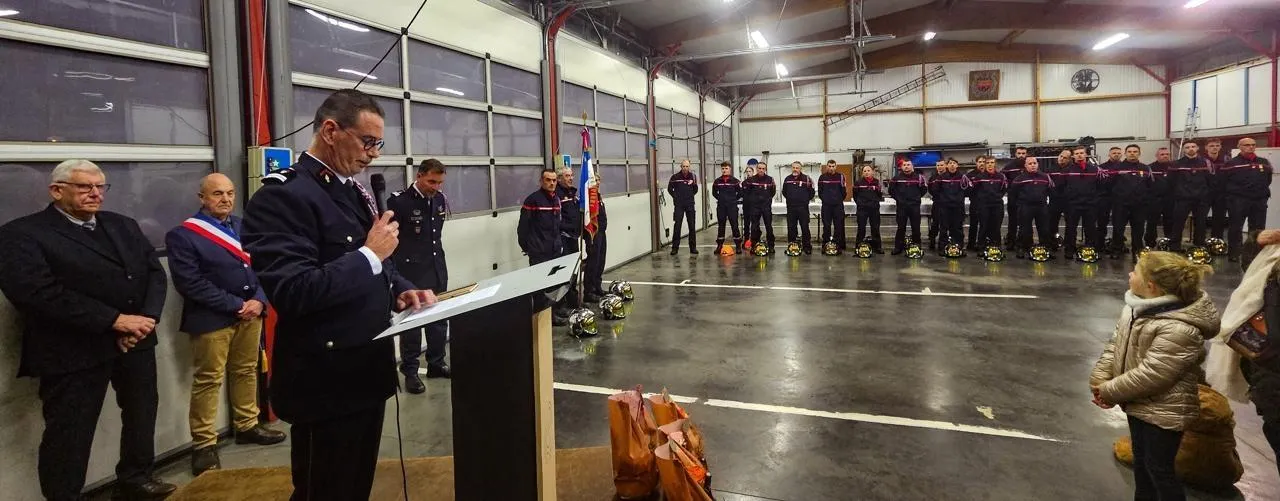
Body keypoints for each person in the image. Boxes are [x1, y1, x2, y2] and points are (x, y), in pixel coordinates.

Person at [241, 89, 437, 500]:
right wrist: (369, 254)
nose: (374, 154)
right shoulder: (283, 196)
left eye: (379, 143)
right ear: (330, 131)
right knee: (325, 491)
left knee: (354, 488)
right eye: (368, 142)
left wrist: (401, 290)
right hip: (325, 383)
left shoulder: (349, 191)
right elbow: (293, 291)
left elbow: (376, 266)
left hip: (365, 372)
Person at [0, 159, 176, 501]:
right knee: (71, 431)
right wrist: (114, 321)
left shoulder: (122, 225)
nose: (96, 194)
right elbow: (36, 293)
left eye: (100, 186)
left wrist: (145, 319)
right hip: (73, 349)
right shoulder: (22, 234)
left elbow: (153, 273)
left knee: (141, 412)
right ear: (56, 191)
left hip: (136, 339)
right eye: (85, 187)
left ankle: (136, 478)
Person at [165, 173, 285, 476]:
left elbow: (264, 265)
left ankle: (247, 425)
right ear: (202, 197)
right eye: (217, 193)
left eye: (230, 193)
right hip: (212, 318)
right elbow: (190, 282)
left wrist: (259, 299)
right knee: (209, 380)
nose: (226, 199)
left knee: (246, 371)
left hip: (252, 312)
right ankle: (204, 444)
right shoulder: (184, 235)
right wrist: (236, 305)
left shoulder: (243, 226)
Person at [1090, 251, 1217, 501]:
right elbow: (1115, 345)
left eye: (1135, 271)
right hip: (1137, 403)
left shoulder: (1179, 328)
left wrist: (1109, 391)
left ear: (1151, 286)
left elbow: (1153, 374)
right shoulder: (1135, 308)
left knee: (1159, 470)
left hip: (1166, 412)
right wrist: (1099, 380)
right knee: (1142, 464)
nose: (1130, 273)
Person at [388, 159, 453, 394]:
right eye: (431, 181)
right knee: (413, 325)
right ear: (419, 176)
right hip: (411, 272)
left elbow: (436, 237)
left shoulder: (439, 200)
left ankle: (436, 363)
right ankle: (411, 371)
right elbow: (392, 240)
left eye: (440, 182)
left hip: (436, 268)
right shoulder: (400, 202)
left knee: (438, 319)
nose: (436, 187)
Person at [1220, 138, 1273, 261]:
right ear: (1239, 146)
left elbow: (1268, 179)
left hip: (1259, 200)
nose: (1251, 147)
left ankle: (1254, 254)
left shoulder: (1264, 162)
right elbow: (1223, 182)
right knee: (1235, 228)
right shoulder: (1231, 163)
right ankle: (1234, 253)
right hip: (1238, 201)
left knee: (1257, 229)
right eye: (1247, 145)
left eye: (1253, 145)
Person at [1167, 142, 1213, 251]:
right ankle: (1174, 247)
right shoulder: (1176, 164)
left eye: (1193, 146)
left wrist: (1206, 195)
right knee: (1178, 223)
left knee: (1201, 224)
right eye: (1187, 147)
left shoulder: (1206, 163)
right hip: (1182, 199)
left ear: (1197, 148)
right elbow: (1171, 182)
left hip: (1201, 199)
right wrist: (1179, 193)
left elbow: (1210, 180)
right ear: (1183, 150)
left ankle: (1199, 246)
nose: (1190, 149)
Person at [1109, 144, 1153, 259]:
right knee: (1118, 229)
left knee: (1138, 230)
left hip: (1139, 206)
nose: (1132, 153)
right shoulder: (1116, 168)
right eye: (1129, 151)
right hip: (1121, 205)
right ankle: (1116, 250)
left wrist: (1145, 200)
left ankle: (1137, 252)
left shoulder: (1145, 168)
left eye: (1135, 151)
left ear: (1139, 153)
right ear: (1125, 153)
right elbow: (1109, 184)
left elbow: (1150, 186)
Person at [1062, 146, 1101, 257]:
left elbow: (1100, 186)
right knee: (1071, 228)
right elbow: (1062, 186)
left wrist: (1094, 199)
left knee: (1090, 228)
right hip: (1072, 204)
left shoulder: (1095, 170)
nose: (1079, 155)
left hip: (1090, 204)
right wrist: (1068, 197)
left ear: (1085, 154)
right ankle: (1069, 249)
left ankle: (1090, 249)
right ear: (1073, 156)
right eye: (1077, 153)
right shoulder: (1067, 170)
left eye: (1081, 153)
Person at [519, 169, 564, 265]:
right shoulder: (532, 200)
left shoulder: (557, 199)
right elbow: (523, 227)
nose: (552, 183)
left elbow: (558, 226)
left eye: (554, 180)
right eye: (548, 180)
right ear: (541, 181)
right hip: (539, 253)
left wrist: (559, 245)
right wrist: (528, 248)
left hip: (555, 251)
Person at [1011, 157, 1054, 258]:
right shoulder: (1019, 179)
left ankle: (1046, 249)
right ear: (1025, 166)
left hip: (1041, 206)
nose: (1033, 165)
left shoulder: (1045, 177)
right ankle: (1023, 248)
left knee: (1044, 229)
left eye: (1034, 163)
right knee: (1024, 229)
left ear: (1038, 164)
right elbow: (1013, 193)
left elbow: (1051, 190)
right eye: (1030, 164)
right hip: (1025, 206)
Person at [555, 167, 583, 315]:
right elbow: (556, 219)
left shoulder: (572, 193)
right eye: (567, 176)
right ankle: (561, 304)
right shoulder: (557, 195)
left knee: (574, 271)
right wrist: (569, 227)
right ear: (559, 178)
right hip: (563, 238)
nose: (571, 178)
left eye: (572, 175)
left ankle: (573, 299)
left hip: (573, 237)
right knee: (563, 273)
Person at [968, 156, 1008, 251]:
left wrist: (997, 197)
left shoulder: (1001, 176)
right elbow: (974, 190)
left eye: (992, 163)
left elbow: (1003, 189)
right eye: (988, 163)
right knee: (983, 226)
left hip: (997, 205)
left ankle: (996, 247)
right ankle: (981, 247)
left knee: (996, 227)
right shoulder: (979, 177)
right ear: (985, 165)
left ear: (995, 164)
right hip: (984, 205)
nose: (990, 165)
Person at [889, 159, 927, 255]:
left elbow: (923, 189)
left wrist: (916, 197)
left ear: (912, 166)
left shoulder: (919, 177)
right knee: (901, 228)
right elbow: (891, 190)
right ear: (901, 167)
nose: (906, 166)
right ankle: (898, 247)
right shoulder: (896, 178)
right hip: (902, 207)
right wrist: (899, 199)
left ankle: (917, 246)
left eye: (908, 165)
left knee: (916, 227)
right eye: (904, 165)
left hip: (914, 206)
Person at [929, 159, 968, 249]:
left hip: (958, 207)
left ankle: (958, 246)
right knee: (943, 228)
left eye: (954, 163)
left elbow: (967, 190)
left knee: (957, 227)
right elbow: (934, 190)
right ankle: (942, 247)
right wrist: (943, 199)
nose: (952, 165)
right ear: (947, 165)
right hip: (944, 207)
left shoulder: (962, 177)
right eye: (950, 163)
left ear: (957, 165)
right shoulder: (940, 178)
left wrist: (959, 198)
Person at [582, 174, 608, 301]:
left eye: (598, 180)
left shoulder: (598, 196)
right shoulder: (589, 199)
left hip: (602, 232)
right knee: (592, 262)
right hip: (593, 234)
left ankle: (597, 286)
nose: (597, 182)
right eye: (594, 180)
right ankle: (589, 291)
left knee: (600, 261)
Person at [782, 161, 816, 254]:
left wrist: (804, 200)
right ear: (791, 168)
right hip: (791, 208)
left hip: (803, 208)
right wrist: (791, 199)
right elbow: (784, 192)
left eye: (797, 168)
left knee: (805, 227)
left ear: (801, 169)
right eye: (793, 167)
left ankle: (807, 246)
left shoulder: (807, 179)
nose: (795, 169)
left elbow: (812, 192)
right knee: (791, 228)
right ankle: (792, 246)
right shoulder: (787, 179)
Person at [667, 159, 698, 255]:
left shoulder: (693, 177)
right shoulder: (675, 177)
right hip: (679, 205)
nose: (685, 168)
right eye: (683, 166)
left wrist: (689, 196)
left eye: (687, 166)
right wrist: (676, 197)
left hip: (690, 204)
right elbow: (669, 189)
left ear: (689, 167)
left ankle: (693, 248)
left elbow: (695, 189)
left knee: (692, 226)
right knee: (677, 226)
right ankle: (675, 248)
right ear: (681, 167)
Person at [744, 162, 777, 253]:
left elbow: (773, 192)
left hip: (766, 207)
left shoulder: (770, 179)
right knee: (754, 227)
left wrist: (767, 200)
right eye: (759, 168)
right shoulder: (751, 180)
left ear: (765, 169)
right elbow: (747, 192)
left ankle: (771, 245)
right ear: (757, 169)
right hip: (755, 207)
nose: (761, 170)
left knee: (768, 226)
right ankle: (754, 245)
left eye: (763, 169)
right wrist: (753, 200)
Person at [1145, 147, 1175, 248]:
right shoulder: (1149, 168)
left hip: (1170, 200)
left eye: (1167, 154)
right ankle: (1150, 243)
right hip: (1154, 200)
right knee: (1151, 223)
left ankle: (1169, 242)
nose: (1165, 156)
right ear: (1157, 156)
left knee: (1170, 222)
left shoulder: (1174, 167)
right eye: (1162, 154)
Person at [852, 164, 884, 253]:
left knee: (875, 228)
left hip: (874, 209)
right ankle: (858, 247)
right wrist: (860, 203)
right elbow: (855, 195)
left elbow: (879, 194)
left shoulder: (877, 182)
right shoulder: (858, 183)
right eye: (864, 171)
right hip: (862, 210)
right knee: (861, 229)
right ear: (862, 173)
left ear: (872, 172)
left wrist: (874, 202)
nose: (866, 172)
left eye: (868, 170)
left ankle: (877, 247)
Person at [711, 161, 743, 251]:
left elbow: (740, 192)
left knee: (734, 225)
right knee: (721, 226)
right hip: (721, 207)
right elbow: (714, 193)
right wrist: (720, 198)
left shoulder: (735, 181)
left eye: (726, 168)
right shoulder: (717, 181)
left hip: (732, 206)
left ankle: (738, 245)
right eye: (723, 168)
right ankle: (719, 245)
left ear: (730, 169)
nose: (724, 170)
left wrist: (733, 199)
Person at [1001, 147, 1029, 249]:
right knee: (1012, 221)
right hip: (1013, 199)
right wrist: (1009, 190)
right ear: (1015, 154)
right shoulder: (1008, 167)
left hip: (1026, 200)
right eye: (1019, 153)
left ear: (1026, 154)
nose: (1021, 155)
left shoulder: (1030, 165)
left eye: (1023, 153)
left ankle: (1023, 242)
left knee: (1025, 222)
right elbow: (1002, 180)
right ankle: (1011, 242)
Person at [1046, 149, 1073, 248]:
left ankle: (1068, 243)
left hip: (1069, 201)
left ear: (1069, 159)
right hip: (1054, 200)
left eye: (1065, 158)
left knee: (1070, 223)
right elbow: (1047, 185)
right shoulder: (1050, 169)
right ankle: (1053, 241)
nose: (1062, 159)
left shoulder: (1072, 170)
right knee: (1052, 223)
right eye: (1061, 156)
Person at [1096, 147, 1124, 246]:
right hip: (1104, 197)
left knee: (1119, 222)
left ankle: (1118, 244)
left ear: (1121, 154)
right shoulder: (1101, 167)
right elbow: (1097, 183)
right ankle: (1100, 243)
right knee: (1102, 221)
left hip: (1120, 198)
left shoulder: (1125, 167)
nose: (1116, 154)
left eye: (1118, 153)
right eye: (1114, 153)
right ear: (1109, 154)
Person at [818, 159, 847, 250]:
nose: (831, 168)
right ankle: (825, 245)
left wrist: (838, 200)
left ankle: (837, 245)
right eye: (829, 166)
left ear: (836, 166)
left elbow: (844, 191)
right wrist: (826, 199)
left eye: (833, 166)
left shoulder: (841, 177)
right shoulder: (822, 177)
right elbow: (820, 192)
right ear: (827, 167)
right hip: (826, 206)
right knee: (826, 226)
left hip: (838, 206)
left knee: (838, 226)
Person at [1204, 139, 1230, 242]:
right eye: (1211, 146)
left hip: (1221, 194)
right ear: (1206, 147)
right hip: (1204, 194)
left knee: (1219, 219)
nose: (1214, 147)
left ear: (1220, 147)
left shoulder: (1227, 161)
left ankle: (1217, 242)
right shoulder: (1201, 161)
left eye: (1217, 145)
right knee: (1201, 219)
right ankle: (1200, 242)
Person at [964, 157, 985, 252]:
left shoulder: (990, 174)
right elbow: (966, 189)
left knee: (985, 225)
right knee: (973, 224)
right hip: (975, 203)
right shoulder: (970, 175)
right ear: (976, 163)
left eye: (984, 162)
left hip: (987, 203)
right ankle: (971, 244)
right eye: (980, 162)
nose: (982, 163)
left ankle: (982, 243)